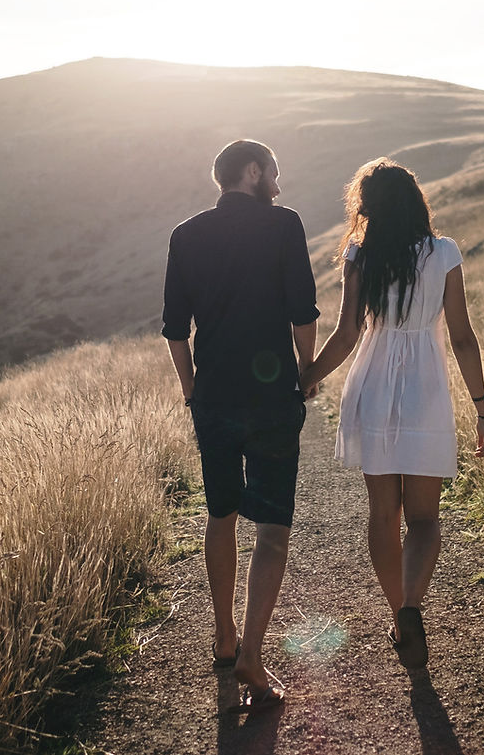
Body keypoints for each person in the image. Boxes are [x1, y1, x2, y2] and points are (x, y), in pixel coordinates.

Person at [300, 158, 484, 669]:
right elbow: (463, 337)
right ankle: (410, 607)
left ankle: (399, 616)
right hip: (425, 389)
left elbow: (345, 336)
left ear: (370, 207)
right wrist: (482, 410)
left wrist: (307, 377)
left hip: (373, 383)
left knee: (383, 515)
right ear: (415, 201)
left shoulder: (361, 253)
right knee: (426, 520)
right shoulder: (445, 252)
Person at [162, 139, 320, 709]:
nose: (278, 179)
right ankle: (252, 651)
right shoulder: (285, 226)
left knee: (220, 514)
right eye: (273, 169)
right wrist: (306, 371)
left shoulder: (185, 235)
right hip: (273, 396)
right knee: (272, 529)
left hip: (214, 400)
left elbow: (175, 330)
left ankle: (224, 637)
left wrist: (191, 392)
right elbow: (303, 311)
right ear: (253, 172)